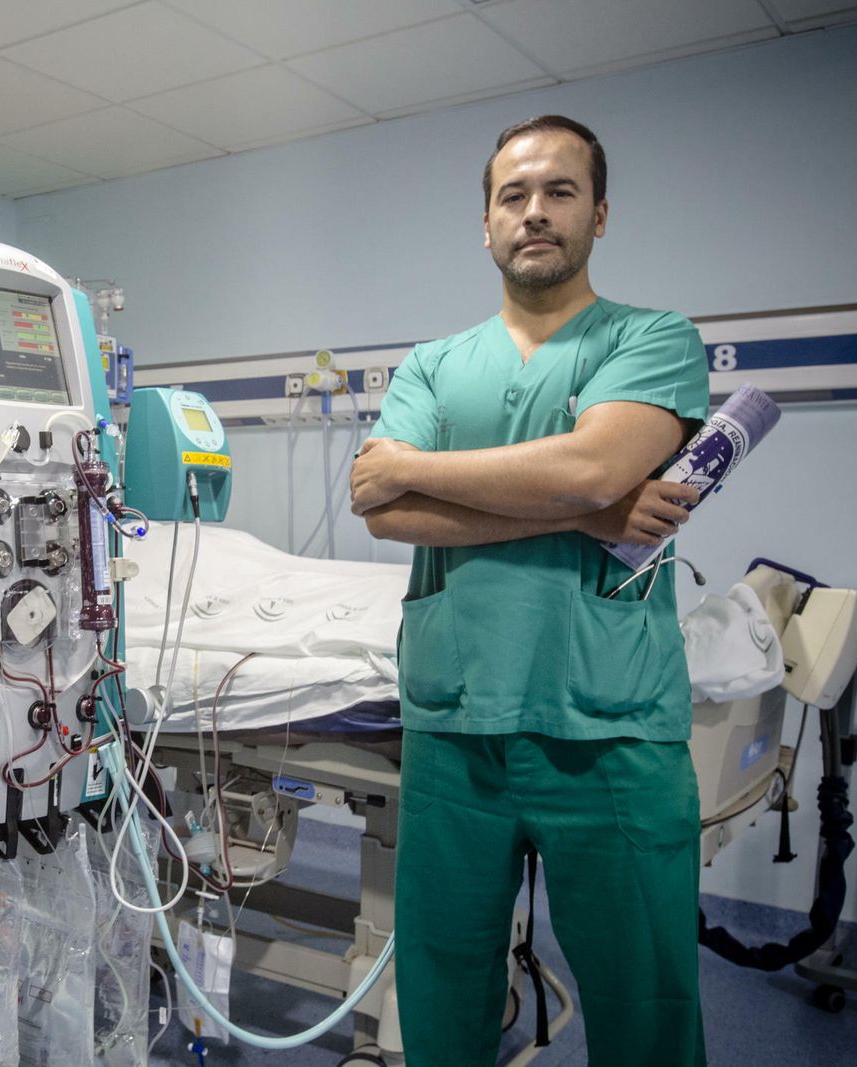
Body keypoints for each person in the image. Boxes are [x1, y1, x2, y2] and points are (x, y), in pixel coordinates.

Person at [350, 115, 709, 1066]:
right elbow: (382, 508)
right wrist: (582, 509)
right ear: (486, 223)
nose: (535, 212)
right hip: (452, 720)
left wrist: (439, 471)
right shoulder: (432, 363)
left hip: (611, 725)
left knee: (646, 1002)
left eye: (560, 192)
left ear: (600, 213)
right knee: (441, 986)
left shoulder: (654, 338)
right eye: (514, 196)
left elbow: (593, 467)